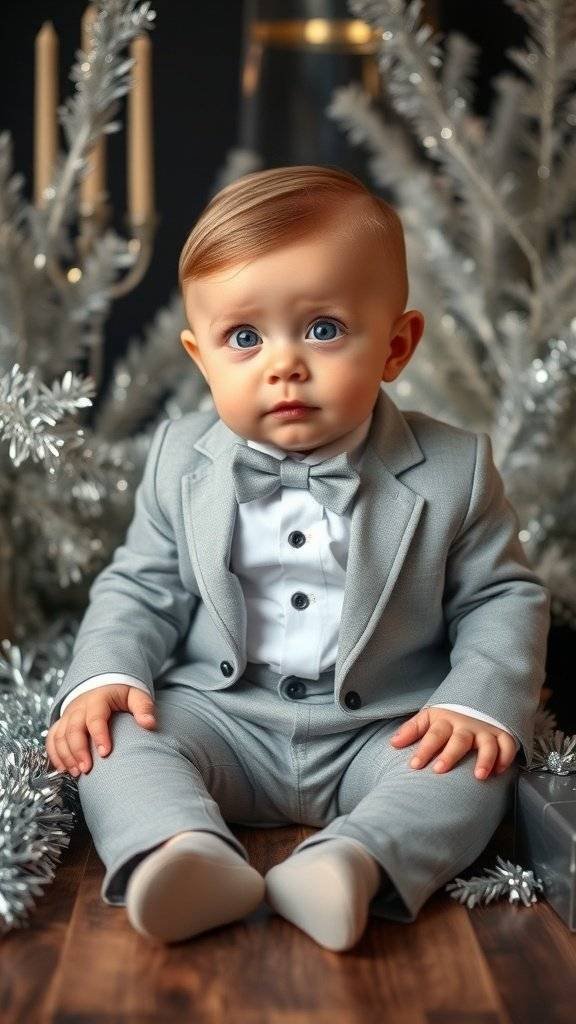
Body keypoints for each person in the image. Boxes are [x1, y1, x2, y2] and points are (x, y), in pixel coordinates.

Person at [45, 165, 551, 951]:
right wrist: (107, 674)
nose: (283, 364)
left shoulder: (455, 467)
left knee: (472, 770)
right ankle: (180, 851)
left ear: (397, 344)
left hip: (387, 725)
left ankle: (355, 862)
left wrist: (479, 701)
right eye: (243, 337)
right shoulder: (180, 459)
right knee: (116, 743)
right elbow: (140, 585)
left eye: (322, 328)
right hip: (224, 715)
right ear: (200, 357)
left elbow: (503, 598)